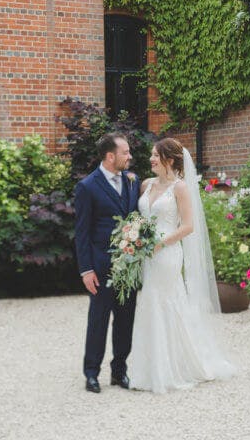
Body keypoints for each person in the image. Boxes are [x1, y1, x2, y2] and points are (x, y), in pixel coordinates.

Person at [127, 138, 236, 393]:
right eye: (152, 154)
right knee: (149, 303)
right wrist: (135, 239)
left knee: (164, 302)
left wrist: (159, 243)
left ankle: (171, 369)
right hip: (146, 253)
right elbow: (138, 217)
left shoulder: (180, 188)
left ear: (170, 159)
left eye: (156, 155)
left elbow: (188, 226)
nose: (151, 159)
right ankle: (150, 367)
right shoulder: (145, 184)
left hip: (166, 253)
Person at [73, 132, 140, 393]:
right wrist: (86, 269)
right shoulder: (87, 186)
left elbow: (135, 218)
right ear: (110, 156)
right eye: (125, 152)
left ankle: (119, 371)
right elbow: (82, 232)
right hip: (100, 267)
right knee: (98, 320)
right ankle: (91, 373)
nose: (130, 156)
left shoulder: (133, 181)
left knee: (125, 321)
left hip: (129, 266)